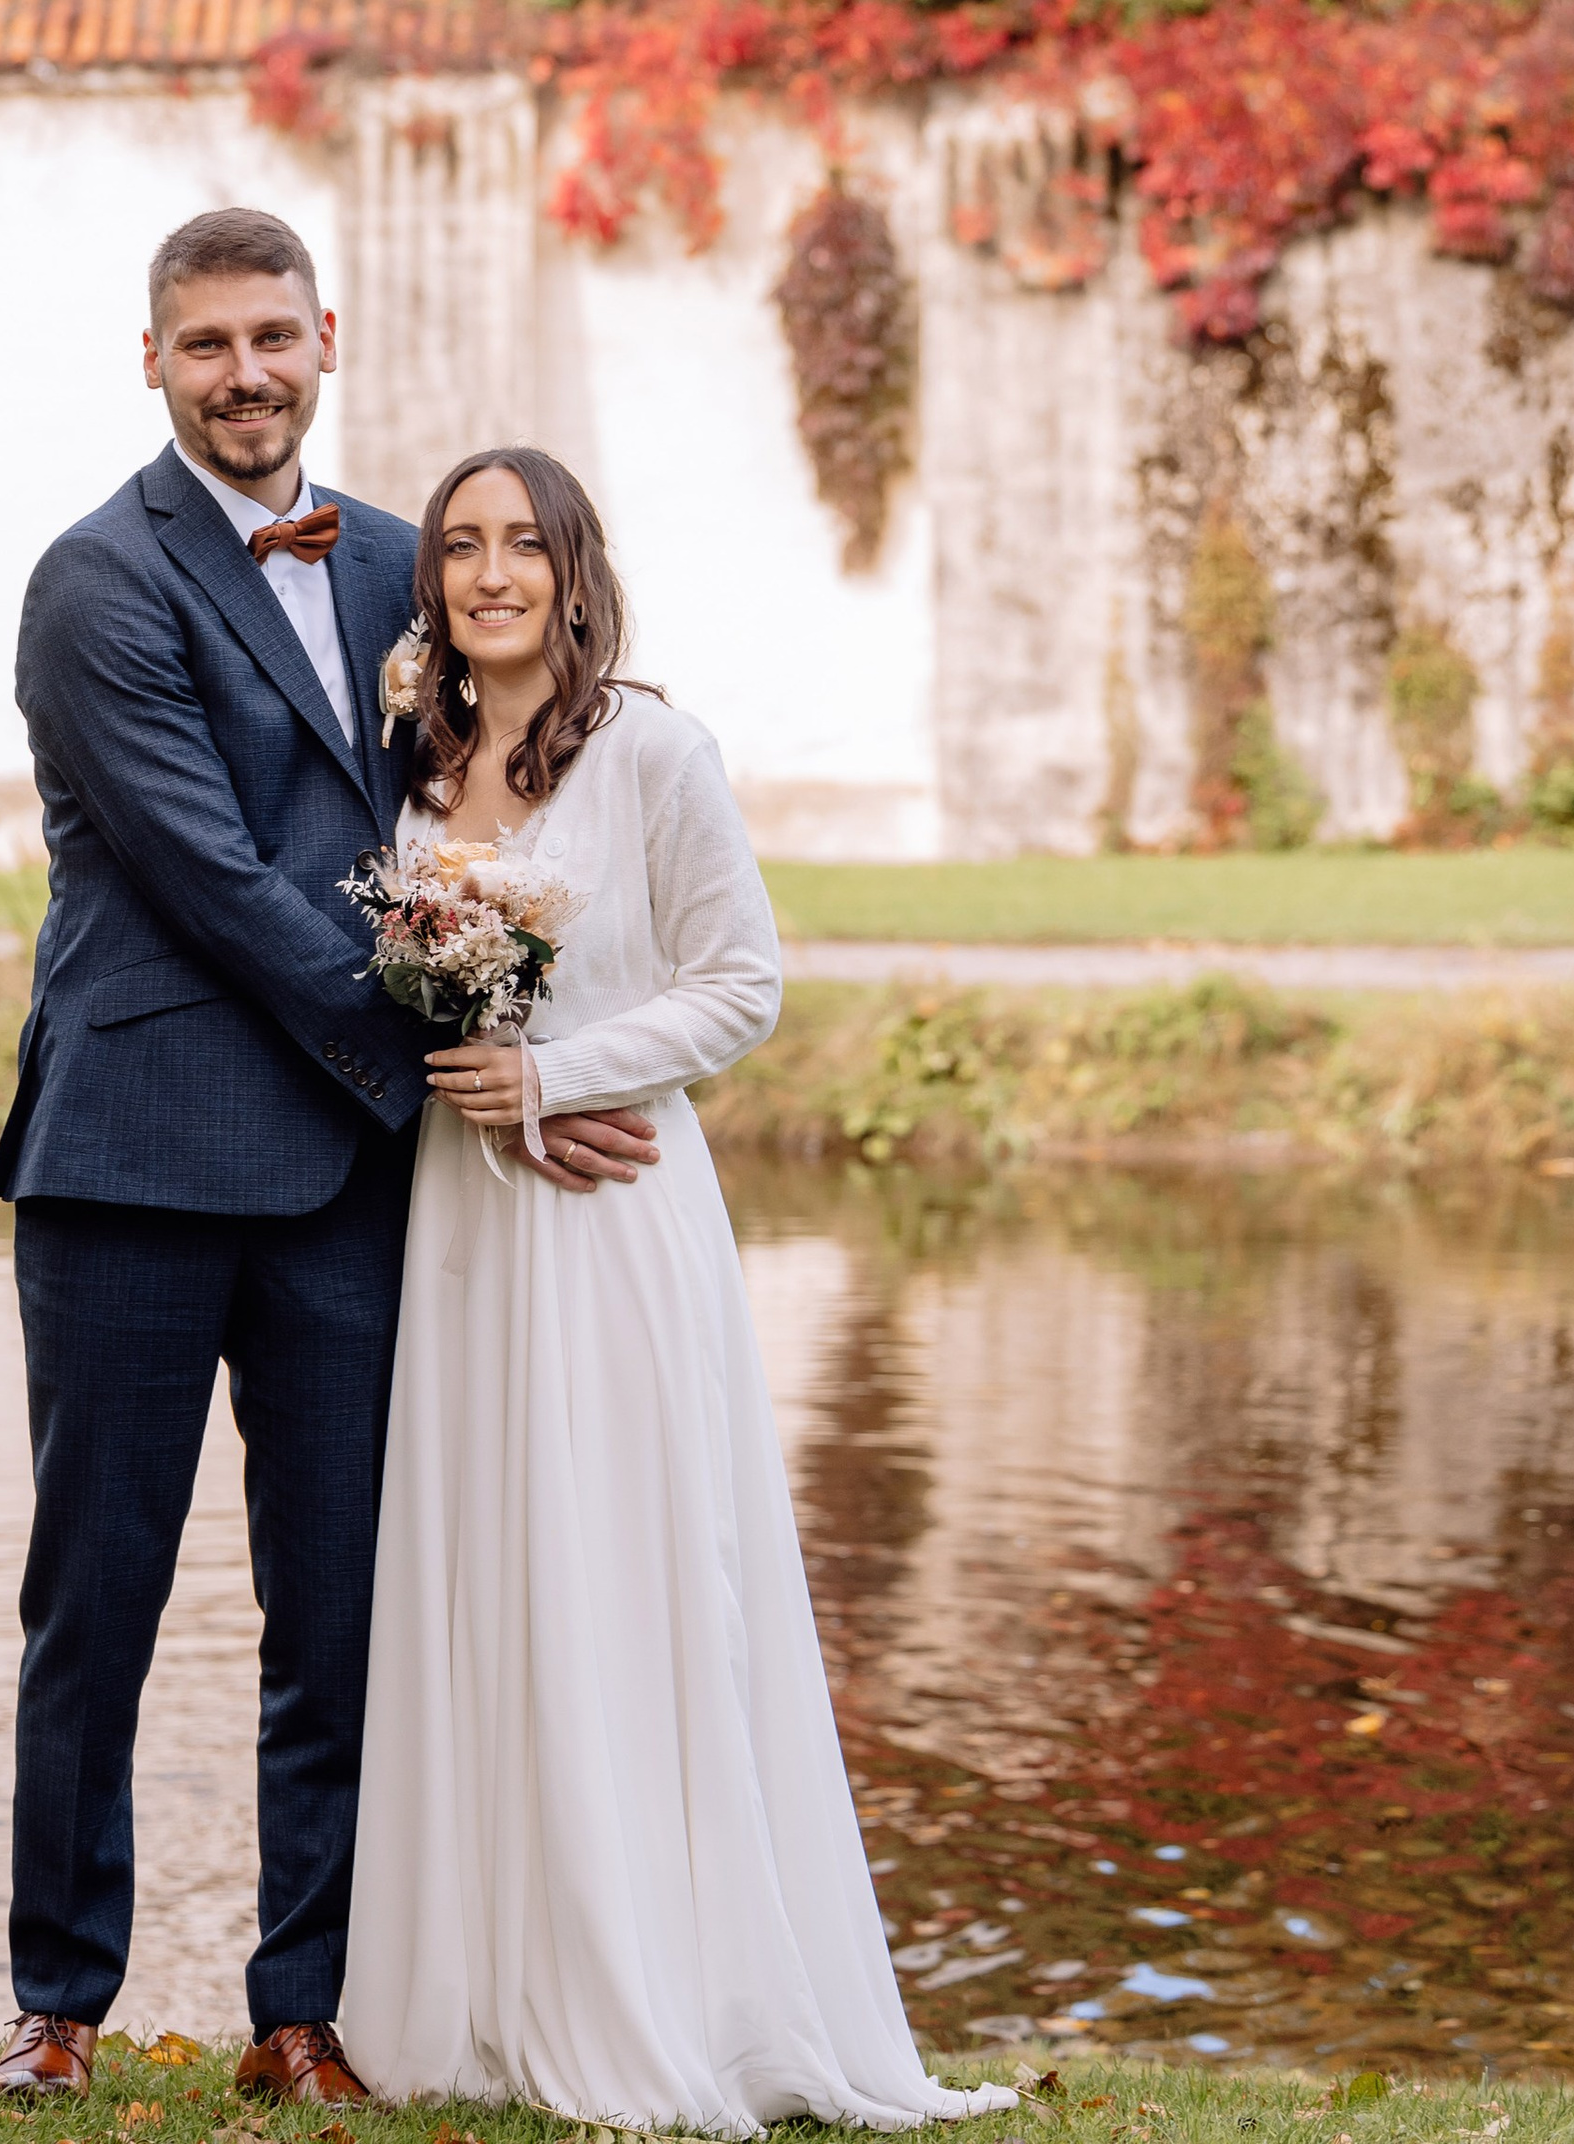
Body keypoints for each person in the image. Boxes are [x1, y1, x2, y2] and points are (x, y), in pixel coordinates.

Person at [0, 213, 662, 2102]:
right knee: (94, 1596)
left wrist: (559, 1047)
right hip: (131, 1157)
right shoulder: (93, 581)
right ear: (154, 364)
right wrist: (467, 1052)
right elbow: (215, 878)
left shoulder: (403, 562)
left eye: (272, 335)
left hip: (355, 1177)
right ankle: (59, 2003)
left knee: (343, 1607)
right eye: (205, 344)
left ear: (326, 337)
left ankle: (307, 2008)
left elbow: (505, 792)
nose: (245, 372)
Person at [340, 449, 1012, 2134]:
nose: (491, 573)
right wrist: (475, 1068)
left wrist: (560, 1074)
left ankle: (661, 1983)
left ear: (575, 570)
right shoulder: (411, 772)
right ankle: (484, 1989)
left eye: (522, 545)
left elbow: (743, 983)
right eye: (460, 548)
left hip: (614, 1218)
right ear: (432, 582)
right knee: (485, 1562)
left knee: (623, 1568)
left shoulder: (654, 750)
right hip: (463, 1223)